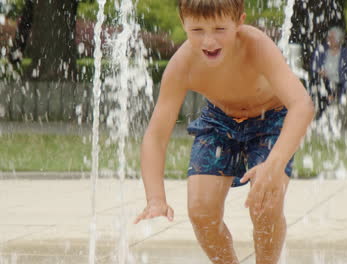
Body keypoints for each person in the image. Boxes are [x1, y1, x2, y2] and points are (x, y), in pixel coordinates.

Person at [133, 1, 315, 264]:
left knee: (265, 207)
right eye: (197, 30)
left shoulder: (256, 46)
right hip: (219, 121)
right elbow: (156, 135)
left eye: (219, 28)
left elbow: (302, 105)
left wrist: (273, 165)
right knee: (200, 211)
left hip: (271, 119)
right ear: (183, 23)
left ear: (239, 21)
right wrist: (155, 198)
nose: (209, 41)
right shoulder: (182, 65)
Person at [309, 26, 347, 119]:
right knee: (322, 84)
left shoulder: (345, 53)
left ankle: (324, 114)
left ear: (338, 40)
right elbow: (313, 66)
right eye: (328, 37)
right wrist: (319, 70)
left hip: (338, 83)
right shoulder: (321, 50)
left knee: (333, 89)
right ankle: (322, 113)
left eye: (331, 38)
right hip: (323, 80)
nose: (328, 39)